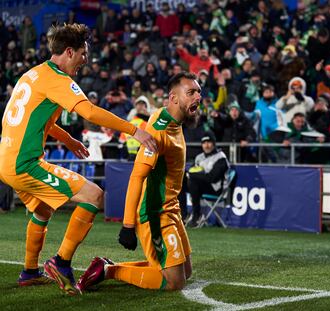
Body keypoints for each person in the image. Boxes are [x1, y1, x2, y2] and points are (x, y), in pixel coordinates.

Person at [0, 23, 156, 295]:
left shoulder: (32, 75)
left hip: (7, 159)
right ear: (69, 52)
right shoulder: (58, 79)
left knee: (42, 210)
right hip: (24, 164)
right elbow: (91, 112)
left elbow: (40, 120)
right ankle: (61, 262)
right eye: (83, 54)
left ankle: (29, 271)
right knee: (94, 195)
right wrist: (135, 130)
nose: (86, 60)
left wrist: (68, 140)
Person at [77, 72, 201, 291]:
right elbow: (137, 176)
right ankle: (109, 271)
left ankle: (107, 266)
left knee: (185, 272)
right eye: (191, 92)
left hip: (171, 209)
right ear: (173, 98)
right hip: (155, 213)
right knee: (174, 282)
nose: (198, 97)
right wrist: (127, 225)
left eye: (199, 92)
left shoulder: (175, 119)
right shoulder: (159, 131)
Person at [187, 132, 230, 227]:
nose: (206, 145)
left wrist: (193, 175)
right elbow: (191, 171)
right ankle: (183, 214)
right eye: (204, 142)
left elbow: (212, 178)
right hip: (200, 186)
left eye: (209, 142)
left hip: (216, 189)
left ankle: (196, 215)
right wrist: (190, 174)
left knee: (193, 181)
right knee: (179, 182)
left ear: (214, 143)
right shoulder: (199, 157)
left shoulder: (221, 157)